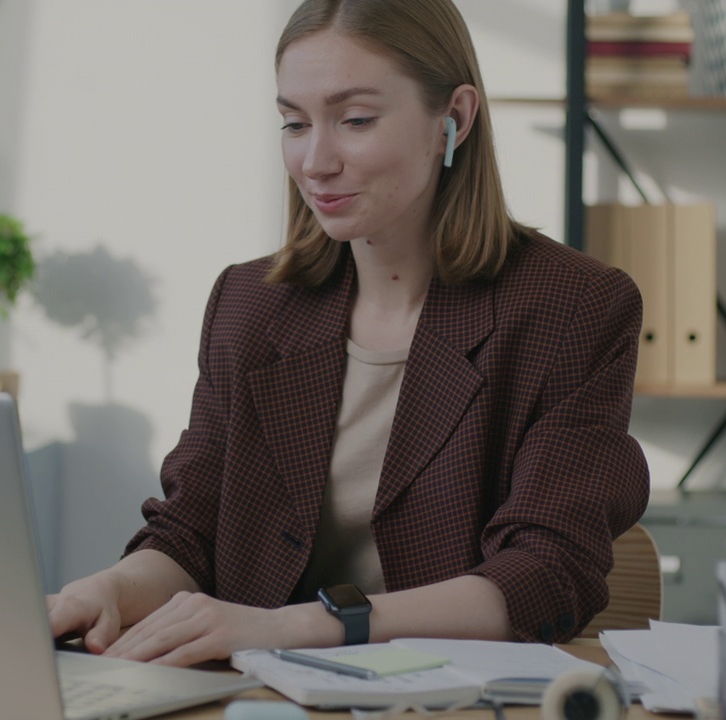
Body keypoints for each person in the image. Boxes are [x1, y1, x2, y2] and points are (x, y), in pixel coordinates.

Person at [46, 0, 650, 667]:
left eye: (355, 120)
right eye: (294, 123)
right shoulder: (249, 305)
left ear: (455, 118)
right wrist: (113, 588)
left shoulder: (574, 308)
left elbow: (544, 574)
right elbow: (191, 533)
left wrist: (302, 627)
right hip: (257, 700)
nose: (314, 160)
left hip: (447, 703)